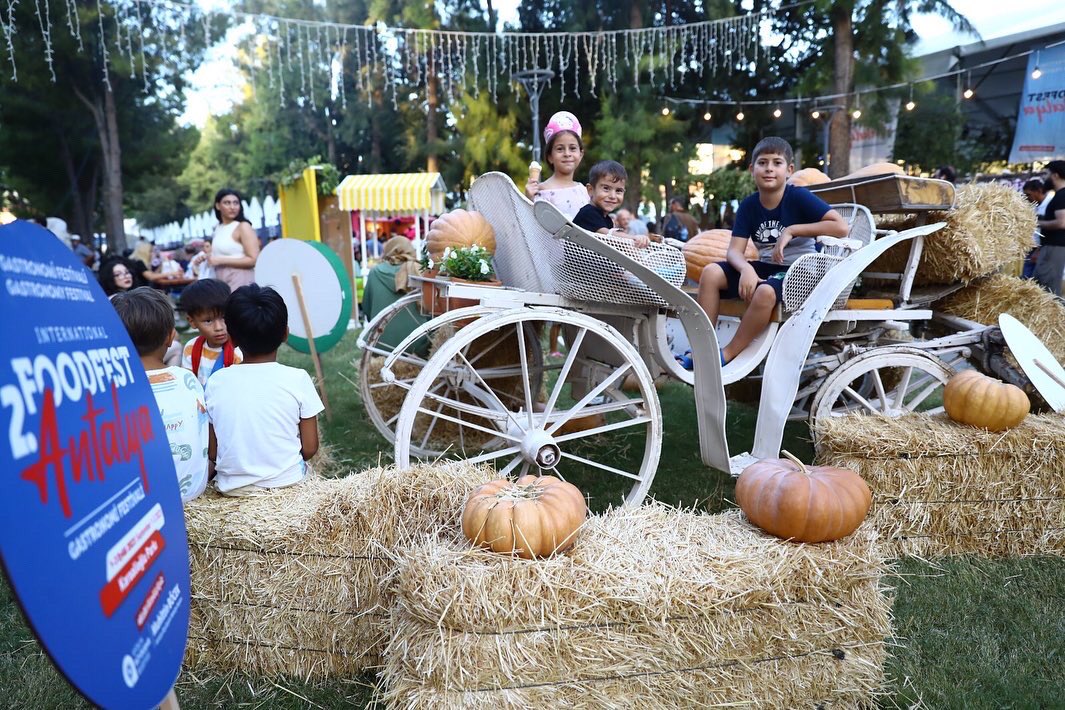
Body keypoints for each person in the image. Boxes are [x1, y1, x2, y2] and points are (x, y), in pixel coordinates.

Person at [695, 137, 848, 368]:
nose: (769, 168)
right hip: (768, 268)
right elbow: (734, 251)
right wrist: (746, 268)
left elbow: (841, 227)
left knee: (765, 292)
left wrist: (792, 230)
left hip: (801, 270)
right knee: (710, 273)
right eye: (762, 162)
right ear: (752, 169)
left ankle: (727, 353)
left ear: (789, 170)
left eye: (777, 163)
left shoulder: (798, 197)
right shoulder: (749, 205)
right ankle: (702, 349)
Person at [206, 284, 324, 496]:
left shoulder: (216, 382)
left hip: (233, 489)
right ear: (285, 333)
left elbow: (213, 452)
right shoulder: (298, 379)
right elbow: (310, 448)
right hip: (288, 483)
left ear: (231, 338)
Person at [110, 287, 209, 503]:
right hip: (193, 490)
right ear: (171, 336)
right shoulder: (188, 379)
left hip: (143, 499)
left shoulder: (115, 388)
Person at [362, 236, 430, 355]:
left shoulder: (374, 273)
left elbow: (367, 310)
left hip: (379, 347)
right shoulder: (420, 272)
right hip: (418, 348)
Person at [525, 111, 589, 219]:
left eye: (572, 148)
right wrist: (527, 200)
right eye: (560, 149)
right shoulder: (541, 192)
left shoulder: (584, 191)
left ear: (581, 154)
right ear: (550, 156)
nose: (567, 154)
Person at [180, 279, 244, 387]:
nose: (219, 327)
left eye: (224, 317)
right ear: (192, 322)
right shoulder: (191, 348)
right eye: (208, 321)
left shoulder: (238, 352)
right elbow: (188, 385)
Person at [574, 161, 651, 248]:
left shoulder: (607, 219)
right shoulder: (588, 213)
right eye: (606, 188)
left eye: (618, 191)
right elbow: (608, 235)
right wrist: (634, 238)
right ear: (590, 190)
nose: (613, 196)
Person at [208, 188, 260, 291]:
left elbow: (253, 259)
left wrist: (220, 260)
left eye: (236, 203)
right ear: (218, 206)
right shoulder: (218, 228)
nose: (232, 207)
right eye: (227, 203)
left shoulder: (243, 226)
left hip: (241, 278)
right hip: (221, 280)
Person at [1034, 160, 1065, 296]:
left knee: (1049, 289)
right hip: (1052, 247)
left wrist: (1037, 223)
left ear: (1055, 175)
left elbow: (1062, 223)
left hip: (1055, 247)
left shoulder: (1062, 196)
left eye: (1047, 174)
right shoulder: (1059, 195)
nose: (1045, 178)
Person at [1022, 178, 1052, 280]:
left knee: (1032, 278)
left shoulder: (1049, 205)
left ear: (1039, 191)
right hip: (1033, 248)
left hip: (1042, 249)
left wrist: (1039, 251)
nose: (1027, 198)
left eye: (1028, 195)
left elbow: (1048, 232)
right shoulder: (1035, 206)